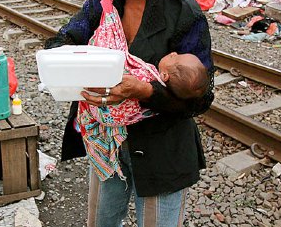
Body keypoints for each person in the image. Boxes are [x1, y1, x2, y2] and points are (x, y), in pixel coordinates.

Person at [44, 0, 214, 227]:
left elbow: (200, 98)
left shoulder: (184, 14)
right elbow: (62, 41)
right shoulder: (102, 4)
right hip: (107, 143)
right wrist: (64, 64)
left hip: (162, 148)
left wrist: (144, 90)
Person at [78, 51, 208, 181]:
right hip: (117, 144)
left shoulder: (148, 74)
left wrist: (144, 91)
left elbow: (200, 102)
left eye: (175, 57)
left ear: (164, 76)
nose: (173, 53)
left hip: (162, 153)